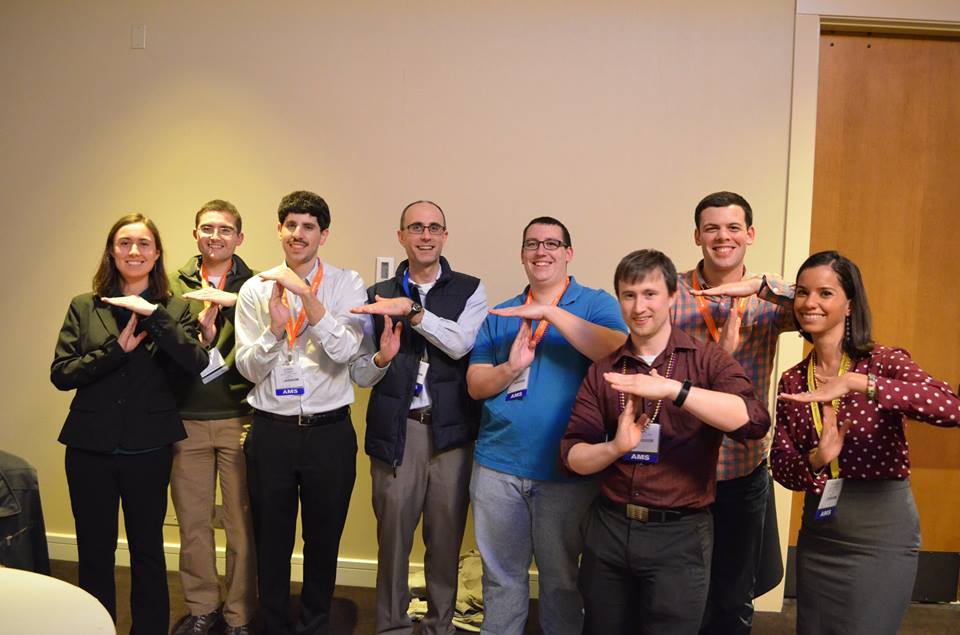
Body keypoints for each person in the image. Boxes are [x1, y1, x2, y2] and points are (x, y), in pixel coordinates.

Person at [559, 249, 771, 635]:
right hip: (610, 530)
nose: (639, 307)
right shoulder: (605, 370)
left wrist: (675, 390)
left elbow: (754, 421)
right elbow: (572, 455)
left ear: (673, 296)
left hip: (680, 536)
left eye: (650, 294)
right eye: (629, 295)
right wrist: (614, 448)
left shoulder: (707, 361)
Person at [771, 250, 960, 635]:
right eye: (803, 292)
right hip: (820, 533)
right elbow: (782, 467)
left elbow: (950, 407)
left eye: (825, 293)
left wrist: (859, 383)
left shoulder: (883, 362)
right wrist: (816, 459)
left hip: (880, 532)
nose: (810, 303)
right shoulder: (792, 379)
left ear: (849, 304)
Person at [466, 217, 627, 635]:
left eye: (552, 243)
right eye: (532, 244)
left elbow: (615, 349)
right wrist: (509, 368)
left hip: (566, 471)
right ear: (522, 254)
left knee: (562, 581)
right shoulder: (502, 313)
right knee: (501, 578)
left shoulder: (595, 304)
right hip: (498, 467)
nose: (542, 251)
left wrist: (549, 313)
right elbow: (476, 385)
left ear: (568, 253)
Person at [51, 214, 208, 635]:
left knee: (148, 552)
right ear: (111, 251)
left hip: (149, 449)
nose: (133, 251)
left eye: (143, 244)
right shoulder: (84, 306)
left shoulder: (176, 309)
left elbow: (195, 362)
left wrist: (154, 316)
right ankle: (95, 627)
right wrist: (115, 351)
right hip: (89, 448)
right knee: (94, 552)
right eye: (124, 243)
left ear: (156, 254)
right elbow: (62, 373)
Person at [350, 200, 487, 635]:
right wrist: (381, 358)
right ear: (401, 236)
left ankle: (438, 625)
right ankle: (391, 625)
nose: (425, 236)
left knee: (445, 540)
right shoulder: (376, 294)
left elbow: (461, 345)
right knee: (392, 540)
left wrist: (412, 312)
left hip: (450, 435)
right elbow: (359, 373)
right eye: (416, 227)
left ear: (445, 235)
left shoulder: (470, 290)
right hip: (398, 432)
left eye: (433, 228)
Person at [235, 190, 367, 635]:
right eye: (291, 225)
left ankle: (314, 624)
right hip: (271, 431)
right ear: (279, 230)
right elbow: (248, 369)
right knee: (270, 539)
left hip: (329, 433)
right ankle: (273, 624)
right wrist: (275, 331)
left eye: (309, 226)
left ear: (323, 235)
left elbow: (347, 350)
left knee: (323, 539)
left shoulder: (346, 284)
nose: (298, 233)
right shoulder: (254, 289)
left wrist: (308, 299)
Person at [672, 191, 794, 633]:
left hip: (742, 470)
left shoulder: (768, 300)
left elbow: (833, 304)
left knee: (733, 595)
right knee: (680, 594)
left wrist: (762, 287)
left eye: (733, 228)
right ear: (697, 236)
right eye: (712, 228)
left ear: (750, 234)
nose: (722, 237)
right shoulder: (673, 292)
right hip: (681, 468)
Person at [169, 199, 257, 635]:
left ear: (239, 237)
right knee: (193, 524)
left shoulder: (257, 285)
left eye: (225, 230)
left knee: (241, 524)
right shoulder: (172, 284)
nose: (215, 236)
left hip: (241, 417)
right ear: (195, 235)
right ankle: (203, 607)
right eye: (207, 228)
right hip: (186, 419)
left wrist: (235, 303)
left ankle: (239, 614)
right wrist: (199, 339)